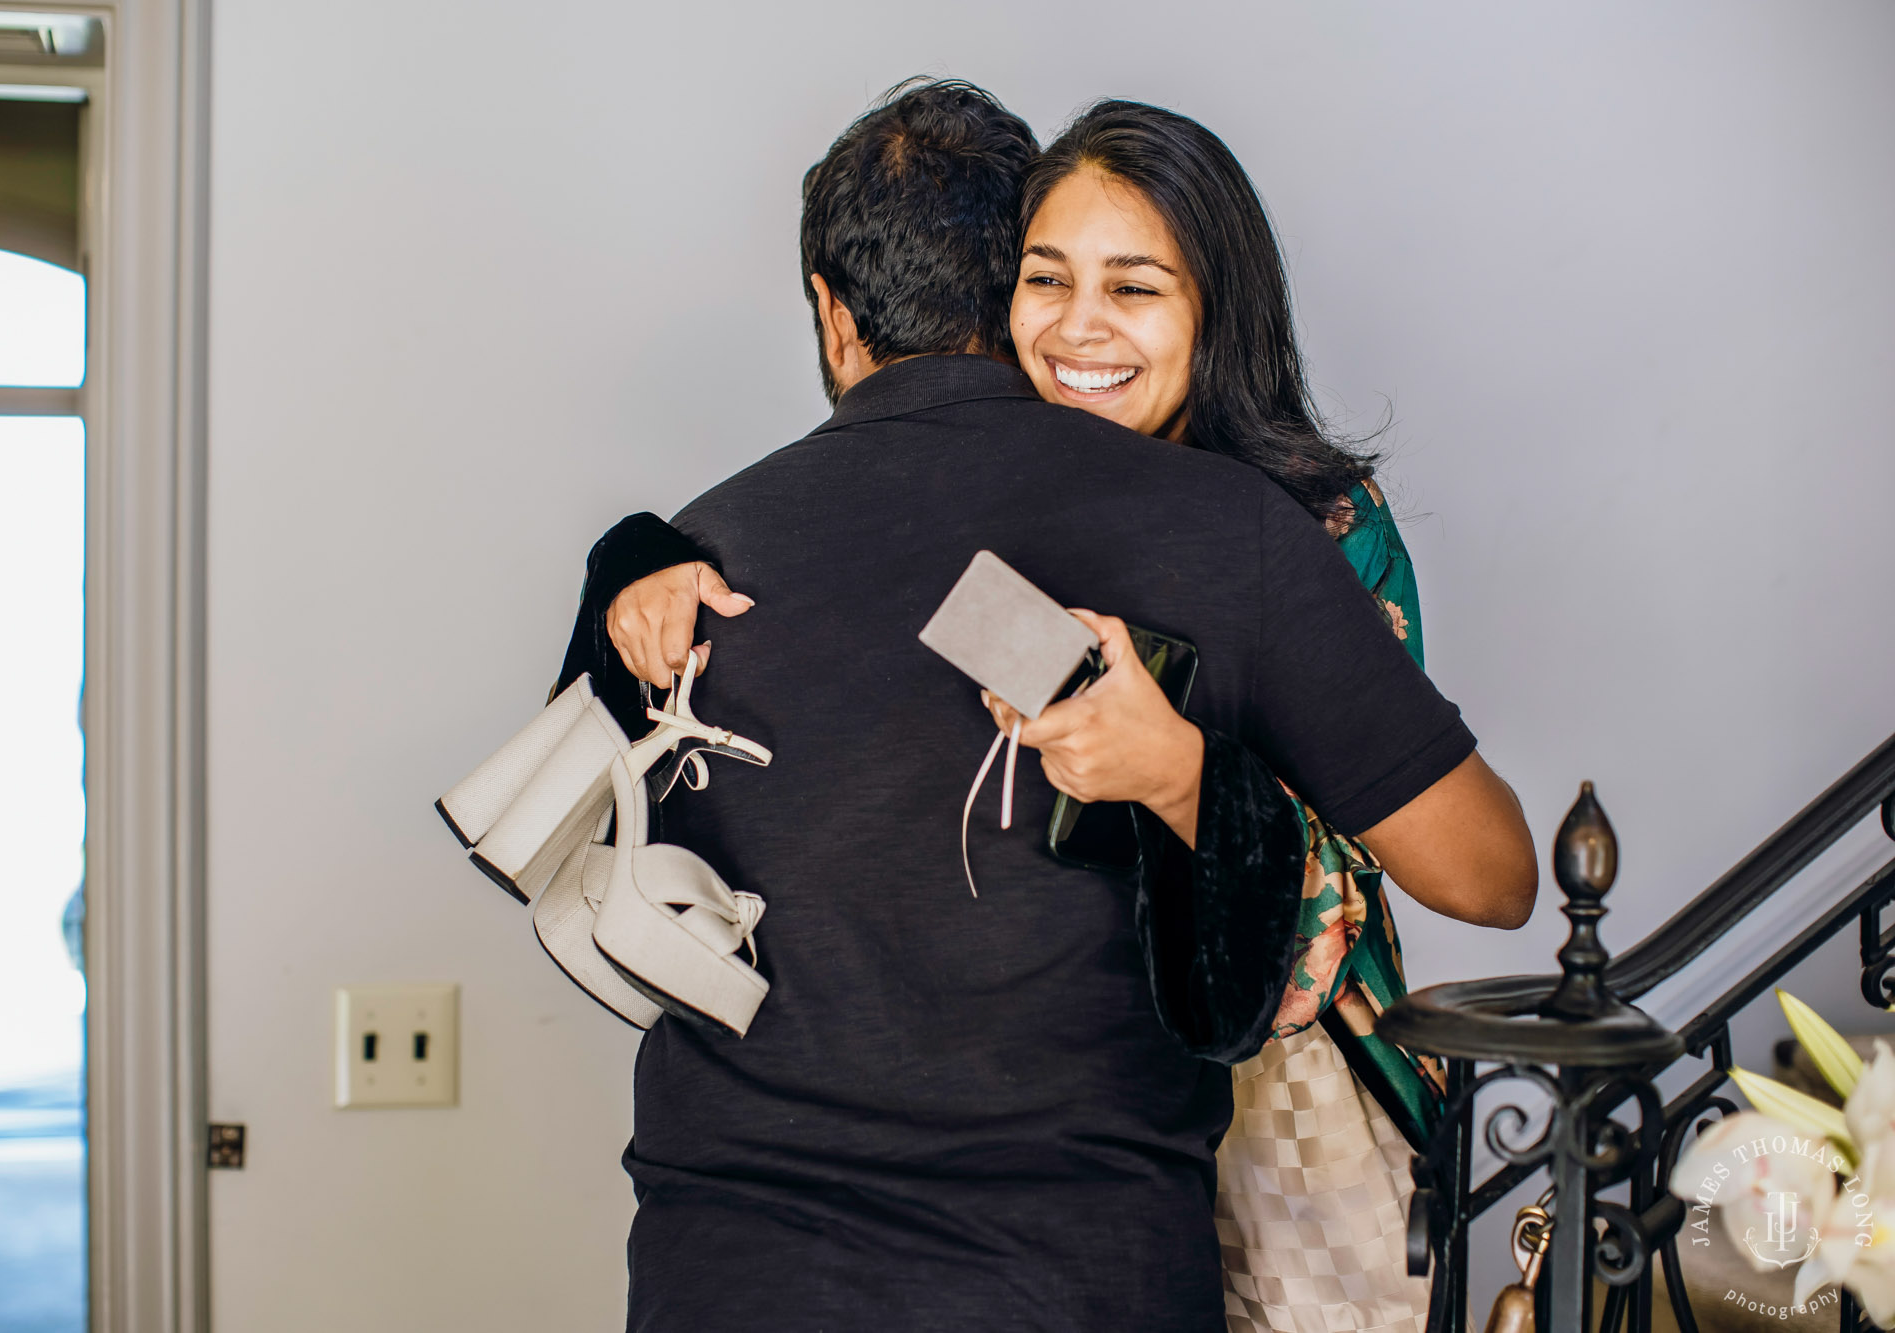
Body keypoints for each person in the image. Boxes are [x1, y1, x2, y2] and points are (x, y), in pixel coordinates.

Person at [557, 80, 1537, 1331]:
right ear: (993, 293)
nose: (1081, 327)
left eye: (1134, 286)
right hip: (1055, 1237)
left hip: (1249, 1128)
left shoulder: (1288, 525)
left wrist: (1178, 770)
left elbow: (1480, 874)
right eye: (1045, 280)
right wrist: (623, 569)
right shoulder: (704, 559)